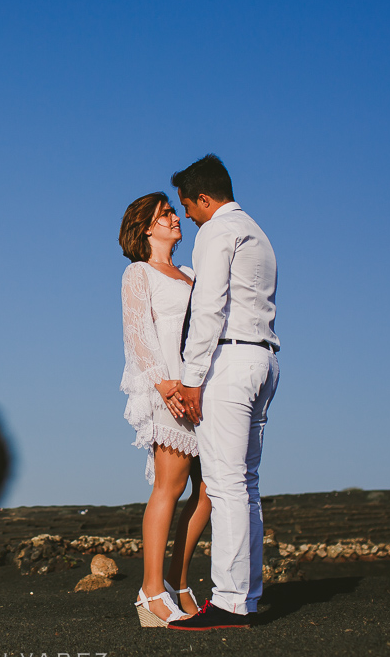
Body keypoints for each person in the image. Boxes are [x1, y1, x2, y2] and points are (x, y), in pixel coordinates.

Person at [166, 154, 279, 631]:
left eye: (188, 206)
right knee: (245, 484)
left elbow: (209, 305)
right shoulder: (258, 232)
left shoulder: (217, 231)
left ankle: (230, 602)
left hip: (230, 363)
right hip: (264, 359)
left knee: (226, 483)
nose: (187, 216)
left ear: (204, 199)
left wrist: (192, 377)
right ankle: (245, 596)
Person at [118, 192, 213, 627]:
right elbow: (138, 333)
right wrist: (163, 384)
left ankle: (178, 582)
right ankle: (151, 592)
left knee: (210, 489)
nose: (176, 218)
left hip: (201, 391)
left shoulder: (191, 274)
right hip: (168, 390)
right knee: (169, 487)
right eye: (165, 214)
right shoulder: (138, 273)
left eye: (174, 212)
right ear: (146, 229)